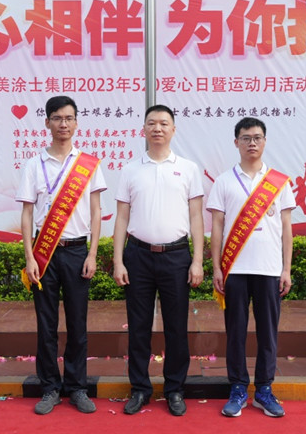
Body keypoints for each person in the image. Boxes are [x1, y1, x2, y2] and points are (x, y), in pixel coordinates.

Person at [15, 96, 107, 415]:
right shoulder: (33, 164)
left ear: (76, 123)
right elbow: (27, 214)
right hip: (45, 254)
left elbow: (96, 212)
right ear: (47, 123)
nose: (63, 124)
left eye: (68, 118)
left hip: (77, 251)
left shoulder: (88, 165)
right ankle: (50, 388)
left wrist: (92, 254)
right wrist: (30, 257)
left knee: (78, 324)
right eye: (57, 118)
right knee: (47, 325)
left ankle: (77, 387)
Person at [112, 104, 205, 417]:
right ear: (143, 129)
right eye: (152, 123)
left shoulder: (188, 169)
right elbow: (122, 216)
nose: (157, 129)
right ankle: (140, 389)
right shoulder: (130, 169)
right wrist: (118, 261)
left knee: (176, 328)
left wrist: (197, 260)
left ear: (173, 130)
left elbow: (196, 217)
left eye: (164, 123)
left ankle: (175, 389)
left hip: (176, 257)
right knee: (138, 327)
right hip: (137, 256)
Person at [206, 117, 295, 418]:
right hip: (235, 269)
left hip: (269, 269)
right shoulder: (224, 181)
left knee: (268, 332)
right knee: (236, 332)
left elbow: (286, 228)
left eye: (257, 137)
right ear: (236, 142)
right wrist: (217, 267)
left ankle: (264, 389)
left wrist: (286, 269)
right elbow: (217, 227)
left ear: (265, 141)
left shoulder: (278, 182)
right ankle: (238, 388)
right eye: (246, 138)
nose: (252, 143)